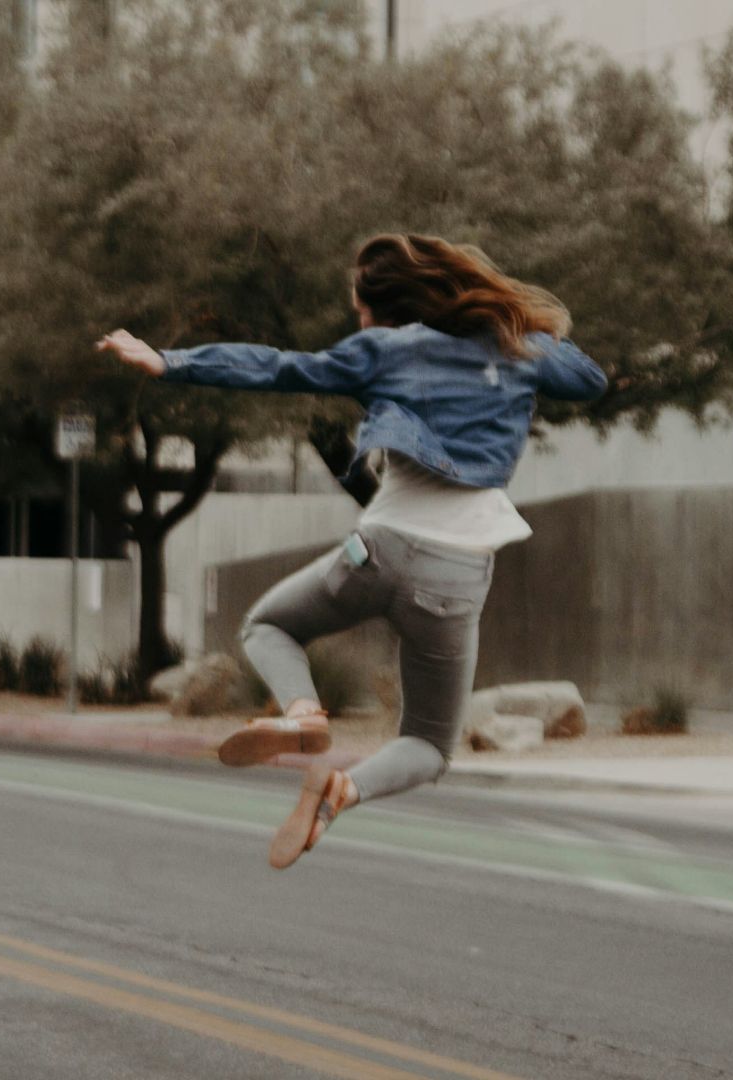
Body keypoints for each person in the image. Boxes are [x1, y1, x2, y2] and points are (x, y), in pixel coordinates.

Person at [96, 233, 606, 869]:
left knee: (270, 624)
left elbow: (277, 367)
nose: (358, 318)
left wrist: (171, 362)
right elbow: (589, 380)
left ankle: (304, 713)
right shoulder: (515, 348)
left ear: (386, 308)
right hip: (455, 579)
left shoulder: (383, 349)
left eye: (361, 306)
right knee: (428, 746)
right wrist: (518, 326)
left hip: (379, 551)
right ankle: (344, 790)